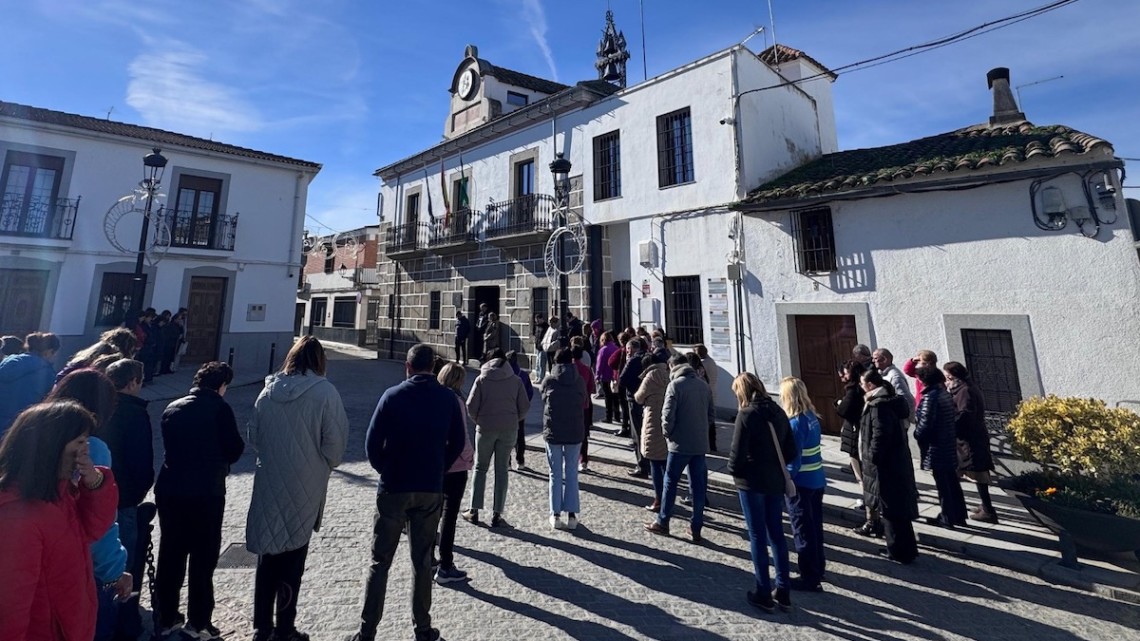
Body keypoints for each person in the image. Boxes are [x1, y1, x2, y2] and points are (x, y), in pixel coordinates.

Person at [352, 344, 464, 641]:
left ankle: (367, 633)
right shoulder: (448, 399)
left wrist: (386, 470)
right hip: (430, 490)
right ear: (433, 367)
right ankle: (423, 630)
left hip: (394, 488)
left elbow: (371, 445)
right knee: (423, 561)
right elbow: (458, 442)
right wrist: (439, 470)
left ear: (407, 367)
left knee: (380, 562)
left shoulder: (392, 396)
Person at [245, 337, 349, 641]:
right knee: (293, 557)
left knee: (268, 556)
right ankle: (285, 628)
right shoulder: (325, 392)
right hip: (305, 483)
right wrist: (318, 465)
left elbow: (255, 436)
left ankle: (261, 627)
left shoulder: (268, 390)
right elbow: (336, 447)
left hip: (269, 482)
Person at [0, 401, 119, 641]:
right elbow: (10, 606)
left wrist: (95, 484)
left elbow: (92, 530)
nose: (86, 450)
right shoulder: (17, 516)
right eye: (80, 442)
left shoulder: (59, 492)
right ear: (52, 447)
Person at [154, 362, 245, 640]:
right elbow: (235, 449)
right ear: (222, 385)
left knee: (170, 554)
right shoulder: (219, 408)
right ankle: (199, 621)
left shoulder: (172, 407)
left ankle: (166, 616)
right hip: (206, 491)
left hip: (170, 490)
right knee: (203, 558)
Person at [48, 370, 130, 641]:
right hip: (83, 572)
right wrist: (114, 571)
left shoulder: (32, 436)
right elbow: (98, 522)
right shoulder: (90, 447)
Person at [728, 372, 797, 612]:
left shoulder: (746, 415)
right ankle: (784, 589)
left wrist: (737, 470)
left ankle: (763, 591)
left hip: (751, 482)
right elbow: (791, 451)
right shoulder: (778, 411)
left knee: (757, 536)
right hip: (775, 481)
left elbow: (736, 456)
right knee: (777, 535)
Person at [102, 358, 155, 641]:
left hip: (98, 498)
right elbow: (142, 462)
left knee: (103, 563)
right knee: (125, 564)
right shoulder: (135, 413)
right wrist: (139, 491)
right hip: (124, 501)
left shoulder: (99, 408)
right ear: (133, 382)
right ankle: (123, 623)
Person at [645, 354, 715, 544]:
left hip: (678, 445)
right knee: (698, 487)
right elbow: (711, 415)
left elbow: (667, 417)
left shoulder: (675, 385)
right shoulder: (703, 385)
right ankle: (696, 528)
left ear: (672, 366)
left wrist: (669, 435)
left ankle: (663, 521)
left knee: (670, 482)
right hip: (699, 445)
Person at [463, 351, 530, 527]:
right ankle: (497, 514)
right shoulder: (515, 380)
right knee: (502, 471)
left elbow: (470, 406)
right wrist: (515, 420)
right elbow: (524, 406)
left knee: (480, 468)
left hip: (485, 428)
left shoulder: (482, 379)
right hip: (509, 430)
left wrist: (478, 419)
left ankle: (474, 510)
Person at [860, 369, 920, 564]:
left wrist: (872, 457)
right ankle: (908, 549)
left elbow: (880, 435)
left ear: (870, 385)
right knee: (899, 509)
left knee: (890, 510)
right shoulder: (892, 401)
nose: (861, 387)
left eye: (862, 384)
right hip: (897, 461)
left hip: (886, 465)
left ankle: (896, 550)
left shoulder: (878, 406)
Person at [779, 377, 826, 592]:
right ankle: (818, 567)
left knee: (802, 529)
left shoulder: (796, 423)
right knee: (815, 525)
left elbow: (793, 458)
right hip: (816, 479)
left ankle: (809, 576)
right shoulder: (811, 416)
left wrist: (785, 480)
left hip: (801, 483)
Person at [434, 363, 474, 585]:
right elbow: (462, 435)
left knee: (433, 514)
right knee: (449, 517)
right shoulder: (456, 400)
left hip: (435, 463)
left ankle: (429, 559)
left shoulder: (433, 397)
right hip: (455, 466)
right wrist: (469, 457)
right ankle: (446, 565)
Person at [944, 361, 998, 523]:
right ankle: (985, 506)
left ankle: (988, 511)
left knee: (978, 474)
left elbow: (965, 415)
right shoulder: (965, 388)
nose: (946, 381)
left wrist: (950, 424)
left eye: (947, 377)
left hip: (970, 440)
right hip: (969, 439)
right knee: (975, 473)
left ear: (954, 377)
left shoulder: (965, 391)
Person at [914, 366, 967, 529]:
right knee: (951, 481)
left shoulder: (931, 396)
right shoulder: (943, 393)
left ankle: (947, 517)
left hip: (936, 446)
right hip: (947, 443)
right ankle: (958, 515)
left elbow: (925, 423)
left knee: (943, 484)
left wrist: (917, 434)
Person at [541, 348, 587, 530]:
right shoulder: (579, 380)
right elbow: (584, 400)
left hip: (553, 431)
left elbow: (543, 397)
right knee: (571, 474)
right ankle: (572, 515)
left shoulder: (549, 380)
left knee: (555, 474)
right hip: (575, 431)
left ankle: (556, 513)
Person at [0, 332, 60, 437]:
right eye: (54, 353)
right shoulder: (47, 374)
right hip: (19, 428)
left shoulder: (7, 362)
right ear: (48, 352)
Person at [634, 352, 670, 511]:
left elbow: (639, 397)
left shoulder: (650, 377)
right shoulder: (669, 373)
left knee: (655, 462)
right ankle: (666, 498)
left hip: (653, 421)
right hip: (668, 419)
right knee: (666, 464)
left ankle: (658, 499)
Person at [619, 338, 650, 478]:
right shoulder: (648, 357)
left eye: (627, 350)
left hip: (634, 398)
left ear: (631, 349)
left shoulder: (633, 360)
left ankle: (642, 465)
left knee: (637, 433)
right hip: (648, 399)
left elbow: (622, 379)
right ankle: (649, 463)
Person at [836, 360, 867, 496]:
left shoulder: (853, 390)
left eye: (846, 372)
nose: (843, 376)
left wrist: (838, 403)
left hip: (855, 433)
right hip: (858, 431)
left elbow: (843, 410)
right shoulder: (861, 387)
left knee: (860, 473)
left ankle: (868, 503)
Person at [505, 350, 535, 470]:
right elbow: (530, 392)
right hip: (520, 410)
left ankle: (507, 462)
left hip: (507, 409)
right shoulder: (523, 374)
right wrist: (525, 403)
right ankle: (520, 461)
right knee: (520, 435)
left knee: (506, 436)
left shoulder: (504, 375)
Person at [569, 344, 596, 472]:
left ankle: (570, 459)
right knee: (583, 434)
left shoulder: (568, 369)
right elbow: (591, 387)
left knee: (569, 432)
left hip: (570, 406)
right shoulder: (586, 369)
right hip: (584, 404)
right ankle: (583, 460)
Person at [695, 344, 719, 453]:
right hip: (712, 392)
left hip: (705, 395)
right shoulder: (711, 361)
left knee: (706, 422)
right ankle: (713, 445)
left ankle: (708, 445)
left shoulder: (703, 364)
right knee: (711, 420)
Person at [595, 331, 620, 423]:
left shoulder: (603, 350)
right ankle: (617, 415)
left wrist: (597, 376)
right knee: (615, 396)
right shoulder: (616, 348)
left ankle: (608, 416)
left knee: (608, 397)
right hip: (614, 376)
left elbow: (599, 364)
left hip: (605, 376)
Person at [160, 311, 185, 375]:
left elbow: (181, 332)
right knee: (166, 357)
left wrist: (181, 326)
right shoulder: (170, 325)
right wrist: (177, 336)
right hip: (169, 343)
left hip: (175, 344)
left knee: (171, 357)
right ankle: (163, 369)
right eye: (179, 319)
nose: (179, 320)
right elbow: (169, 334)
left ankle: (168, 368)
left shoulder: (178, 326)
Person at [532, 313, 549, 381]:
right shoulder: (536, 326)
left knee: (541, 363)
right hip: (537, 346)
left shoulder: (546, 326)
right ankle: (537, 376)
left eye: (538, 320)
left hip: (543, 347)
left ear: (542, 319)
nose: (537, 322)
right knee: (537, 363)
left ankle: (541, 378)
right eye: (536, 320)